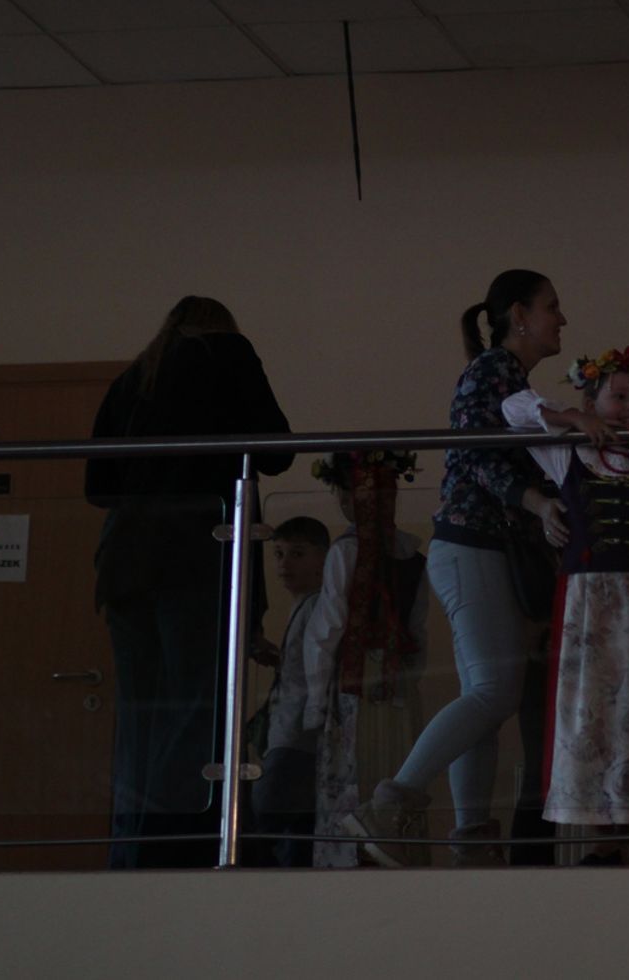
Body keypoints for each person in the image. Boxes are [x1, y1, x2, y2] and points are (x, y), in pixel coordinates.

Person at [351, 269, 607, 868]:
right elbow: (475, 455)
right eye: (552, 307)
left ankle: (472, 837)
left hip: (482, 549)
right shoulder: (490, 370)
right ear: (519, 315)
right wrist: (536, 502)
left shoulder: (512, 381)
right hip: (473, 546)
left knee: (484, 698)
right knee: (495, 692)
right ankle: (390, 805)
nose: (562, 319)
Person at [85, 295, 292, 868]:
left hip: (126, 564)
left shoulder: (135, 376)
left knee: (141, 719)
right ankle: (179, 852)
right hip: (200, 556)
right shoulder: (229, 354)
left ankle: (131, 851)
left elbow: (97, 486)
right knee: (196, 713)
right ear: (222, 326)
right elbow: (279, 450)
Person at [504, 346, 629, 864]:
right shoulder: (569, 453)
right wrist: (574, 419)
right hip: (590, 604)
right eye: (618, 397)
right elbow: (513, 409)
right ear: (593, 398)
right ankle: (603, 839)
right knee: (592, 711)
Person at [302, 451, 429, 868]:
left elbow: (326, 631)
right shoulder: (414, 557)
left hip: (353, 685)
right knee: (394, 764)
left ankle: (352, 861)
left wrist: (315, 702)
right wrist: (406, 679)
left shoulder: (345, 552)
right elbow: (418, 635)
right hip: (397, 685)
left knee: (353, 774)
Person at [249, 515, 329, 868]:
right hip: (288, 735)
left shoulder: (316, 606)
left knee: (261, 829)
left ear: (323, 559)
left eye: (297, 554)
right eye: (279, 554)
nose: (284, 564)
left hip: (295, 737)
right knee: (293, 839)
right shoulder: (303, 606)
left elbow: (317, 671)